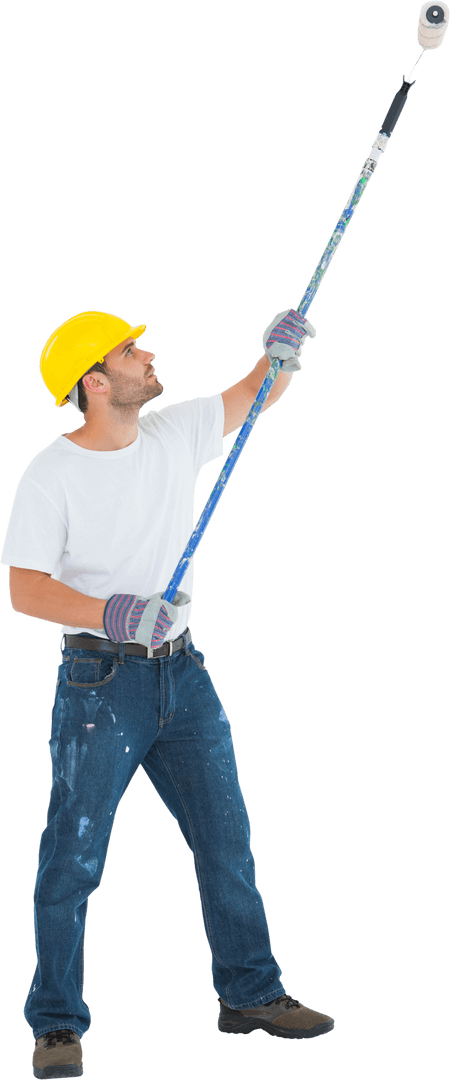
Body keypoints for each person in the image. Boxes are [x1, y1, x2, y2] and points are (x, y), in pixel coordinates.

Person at [1, 308, 335, 1079]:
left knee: (226, 840)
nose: (148, 354)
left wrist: (276, 355)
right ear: (94, 379)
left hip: (182, 673)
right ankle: (56, 1024)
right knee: (72, 861)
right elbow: (25, 590)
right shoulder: (52, 473)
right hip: (99, 683)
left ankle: (250, 993)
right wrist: (113, 610)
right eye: (130, 349)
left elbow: (255, 394)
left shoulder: (174, 432)